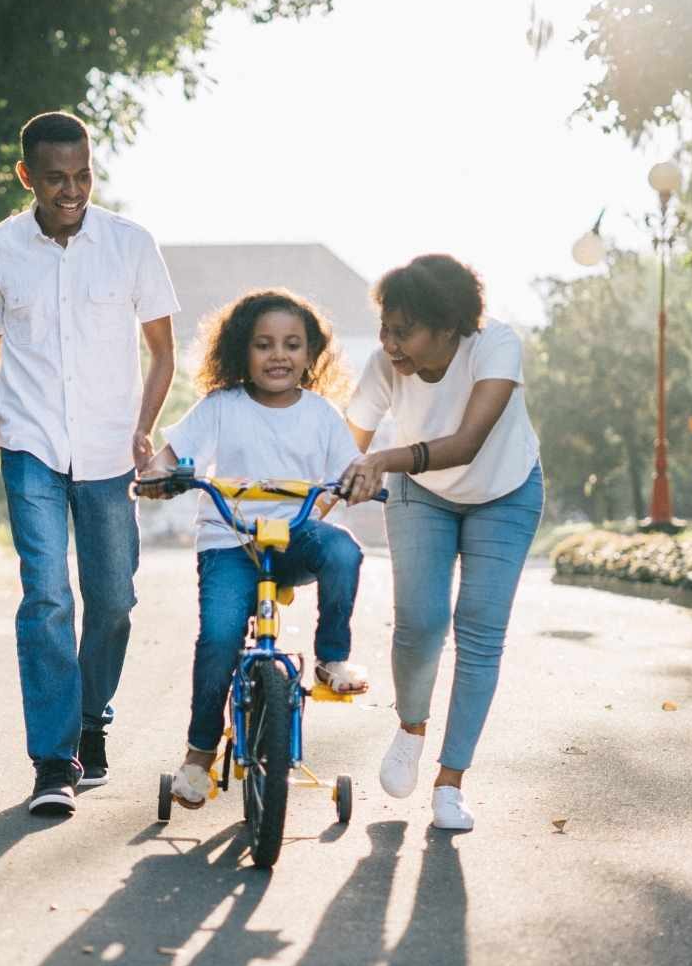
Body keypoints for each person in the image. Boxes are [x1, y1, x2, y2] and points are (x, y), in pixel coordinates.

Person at [0, 110, 179, 815]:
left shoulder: (130, 244)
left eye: (82, 175)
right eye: (55, 178)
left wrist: (145, 429)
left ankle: (92, 721)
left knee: (113, 601)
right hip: (30, 447)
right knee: (48, 596)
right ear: (27, 176)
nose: (72, 190)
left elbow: (163, 351)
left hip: (111, 450)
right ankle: (54, 761)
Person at [142, 288, 369, 808]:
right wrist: (158, 473)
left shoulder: (320, 414)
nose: (279, 355)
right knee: (220, 637)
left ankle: (332, 658)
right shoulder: (221, 407)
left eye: (292, 344)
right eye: (264, 344)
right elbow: (171, 454)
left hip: (294, 538)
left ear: (311, 354)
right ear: (242, 351)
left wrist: (359, 481)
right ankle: (199, 756)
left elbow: (348, 469)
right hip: (229, 542)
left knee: (344, 552)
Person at [341, 254, 542, 832]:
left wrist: (381, 459)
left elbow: (468, 443)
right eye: (385, 327)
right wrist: (318, 498)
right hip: (421, 494)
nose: (389, 343)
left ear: (449, 326)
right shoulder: (385, 365)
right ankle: (410, 727)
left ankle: (451, 782)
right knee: (421, 622)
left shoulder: (494, 346)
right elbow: (344, 446)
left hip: (504, 491)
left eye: (403, 331)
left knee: (479, 630)